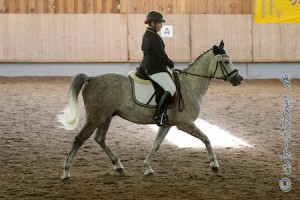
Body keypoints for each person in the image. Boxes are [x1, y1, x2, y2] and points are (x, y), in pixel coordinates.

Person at [139, 11, 176, 126]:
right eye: (160, 23)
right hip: (153, 68)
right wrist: (170, 63)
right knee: (171, 88)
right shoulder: (153, 36)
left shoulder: (147, 34)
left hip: (149, 65)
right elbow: (161, 54)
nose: (161, 25)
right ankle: (158, 115)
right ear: (153, 23)